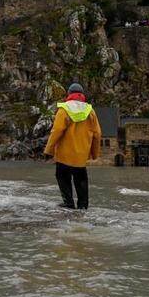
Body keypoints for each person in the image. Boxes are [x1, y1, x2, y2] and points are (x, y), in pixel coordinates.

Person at [43, 82, 101, 210]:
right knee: (81, 180)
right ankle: (83, 205)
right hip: (81, 156)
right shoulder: (90, 111)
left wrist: (49, 150)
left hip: (64, 154)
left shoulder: (64, 110)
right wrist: (94, 153)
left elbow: (57, 131)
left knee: (62, 177)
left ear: (69, 94)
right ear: (82, 95)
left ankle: (68, 202)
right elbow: (97, 134)